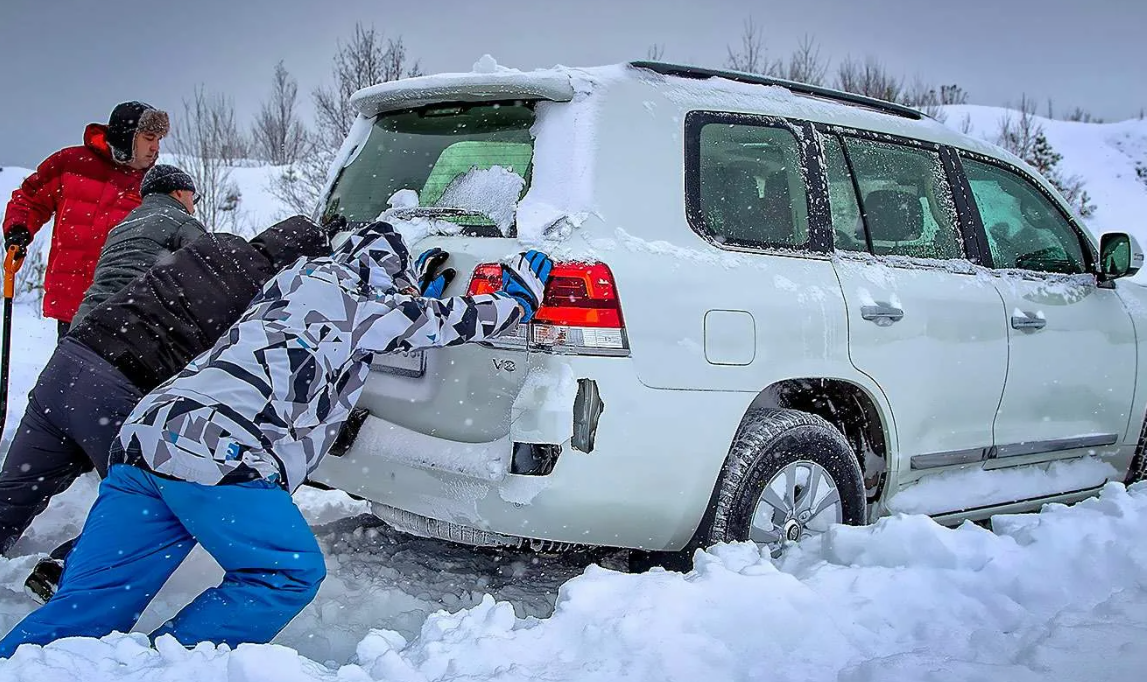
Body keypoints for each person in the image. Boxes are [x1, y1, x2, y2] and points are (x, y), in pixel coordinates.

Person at [0, 221, 552, 656]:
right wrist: (518, 297)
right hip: (215, 452)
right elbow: (461, 321)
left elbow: (338, 347)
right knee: (287, 572)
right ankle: (170, 660)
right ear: (383, 276)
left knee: (87, 606)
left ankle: (27, 663)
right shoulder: (363, 303)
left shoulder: (285, 287)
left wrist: (405, 300)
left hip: (147, 435)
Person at [0, 215, 334, 600]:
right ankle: (65, 568)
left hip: (68, 363)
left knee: (16, 490)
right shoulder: (266, 297)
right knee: (152, 498)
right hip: (119, 387)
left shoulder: (215, 244)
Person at [2, 101, 167, 337]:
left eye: (159, 140)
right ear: (126, 136)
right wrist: (19, 230)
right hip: (73, 300)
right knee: (73, 370)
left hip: (125, 305)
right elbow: (30, 199)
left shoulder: (151, 186)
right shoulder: (71, 164)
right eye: (149, 137)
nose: (155, 147)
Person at [71, 164, 205, 326]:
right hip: (137, 320)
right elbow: (209, 268)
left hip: (86, 318)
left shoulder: (120, 227)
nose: (193, 208)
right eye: (193, 197)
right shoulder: (181, 220)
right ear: (179, 193)